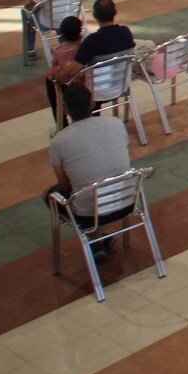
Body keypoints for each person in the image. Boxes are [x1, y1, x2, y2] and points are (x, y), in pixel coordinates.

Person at [46, 82, 133, 262]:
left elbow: (65, 186)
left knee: (52, 194)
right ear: (93, 103)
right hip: (127, 200)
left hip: (88, 213)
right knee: (99, 179)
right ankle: (99, 240)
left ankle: (95, 241)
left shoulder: (58, 142)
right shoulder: (116, 124)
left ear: (64, 110)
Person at [57, 0, 135, 84]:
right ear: (115, 12)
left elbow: (71, 72)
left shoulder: (91, 41)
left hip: (96, 91)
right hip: (122, 85)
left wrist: (56, 78)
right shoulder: (126, 32)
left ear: (94, 15)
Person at [43, 16, 85, 127]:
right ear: (79, 32)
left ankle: (61, 123)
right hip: (79, 83)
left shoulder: (58, 51)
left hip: (62, 85)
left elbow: (53, 64)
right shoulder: (80, 48)